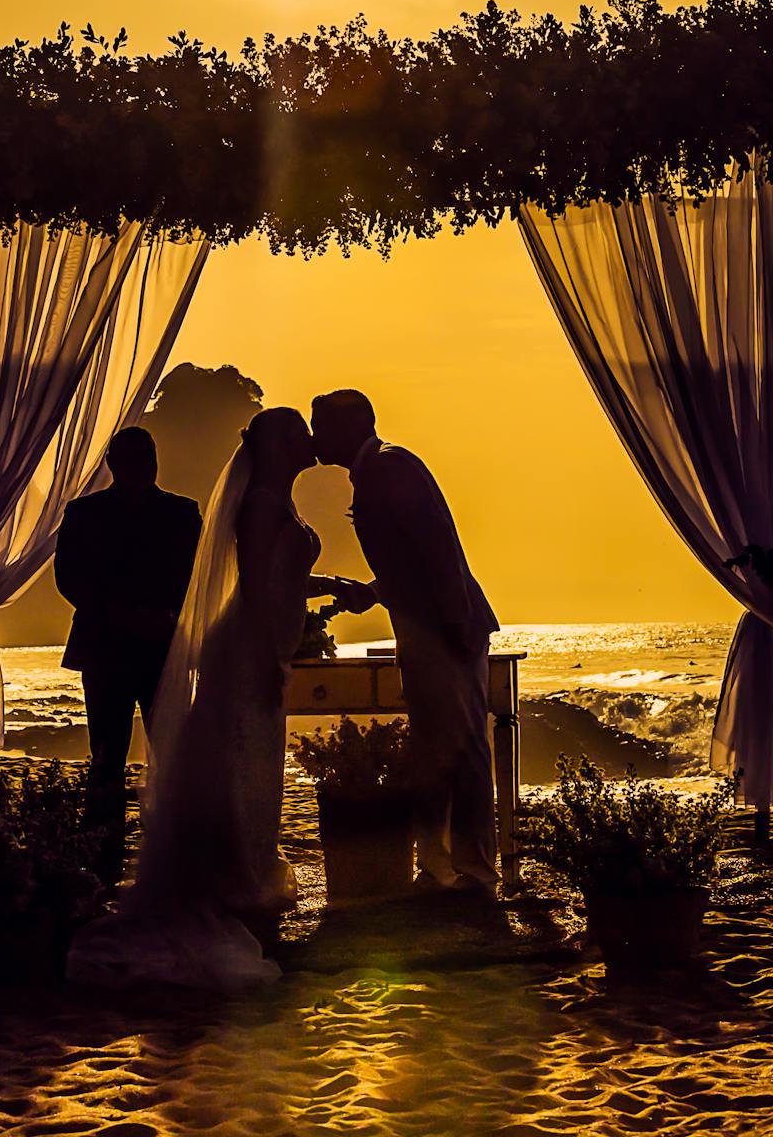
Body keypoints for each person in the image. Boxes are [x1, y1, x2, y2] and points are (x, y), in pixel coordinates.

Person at [67, 408, 361, 989]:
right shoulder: (257, 504)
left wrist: (326, 589)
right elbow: (252, 590)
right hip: (218, 647)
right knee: (142, 759)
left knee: (212, 762)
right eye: (298, 433)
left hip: (223, 644)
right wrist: (274, 655)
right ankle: (197, 875)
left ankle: (237, 872)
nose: (308, 439)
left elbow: (250, 578)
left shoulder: (230, 505)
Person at [311, 389, 501, 897]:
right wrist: (373, 593)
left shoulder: (388, 468)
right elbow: (409, 560)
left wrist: (458, 621)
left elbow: (437, 545)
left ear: (351, 427)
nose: (314, 438)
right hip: (426, 629)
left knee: (463, 747)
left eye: (320, 426)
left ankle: (476, 869)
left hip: (444, 629)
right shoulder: (377, 471)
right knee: (437, 747)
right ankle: (440, 867)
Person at [54, 428, 201, 831]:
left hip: (141, 643)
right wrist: (130, 613)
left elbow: (193, 578)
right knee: (110, 749)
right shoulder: (86, 513)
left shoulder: (181, 513)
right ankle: (116, 831)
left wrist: (150, 613)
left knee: (156, 747)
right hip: (122, 644)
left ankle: (155, 830)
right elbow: (68, 578)